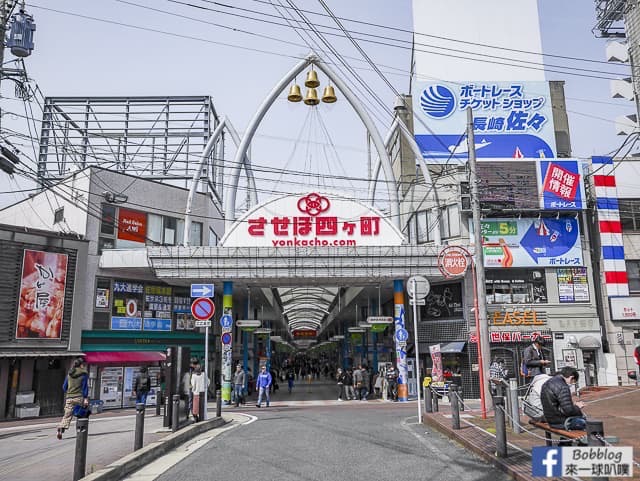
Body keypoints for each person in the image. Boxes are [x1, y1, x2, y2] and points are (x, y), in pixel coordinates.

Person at [540, 366, 586, 431]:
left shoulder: (548, 382)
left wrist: (572, 405)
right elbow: (569, 410)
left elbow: (556, 403)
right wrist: (577, 407)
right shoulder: (563, 386)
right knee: (586, 423)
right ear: (571, 377)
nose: (572, 384)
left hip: (549, 418)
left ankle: (565, 441)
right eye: (573, 382)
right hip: (560, 422)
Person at [56, 357, 89, 440]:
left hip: (69, 398)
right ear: (81, 365)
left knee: (67, 415)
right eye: (83, 365)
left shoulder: (69, 375)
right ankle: (80, 430)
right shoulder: (83, 375)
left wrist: (70, 392)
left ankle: (61, 428)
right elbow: (85, 388)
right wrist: (85, 398)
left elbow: (64, 387)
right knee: (81, 414)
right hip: (79, 397)